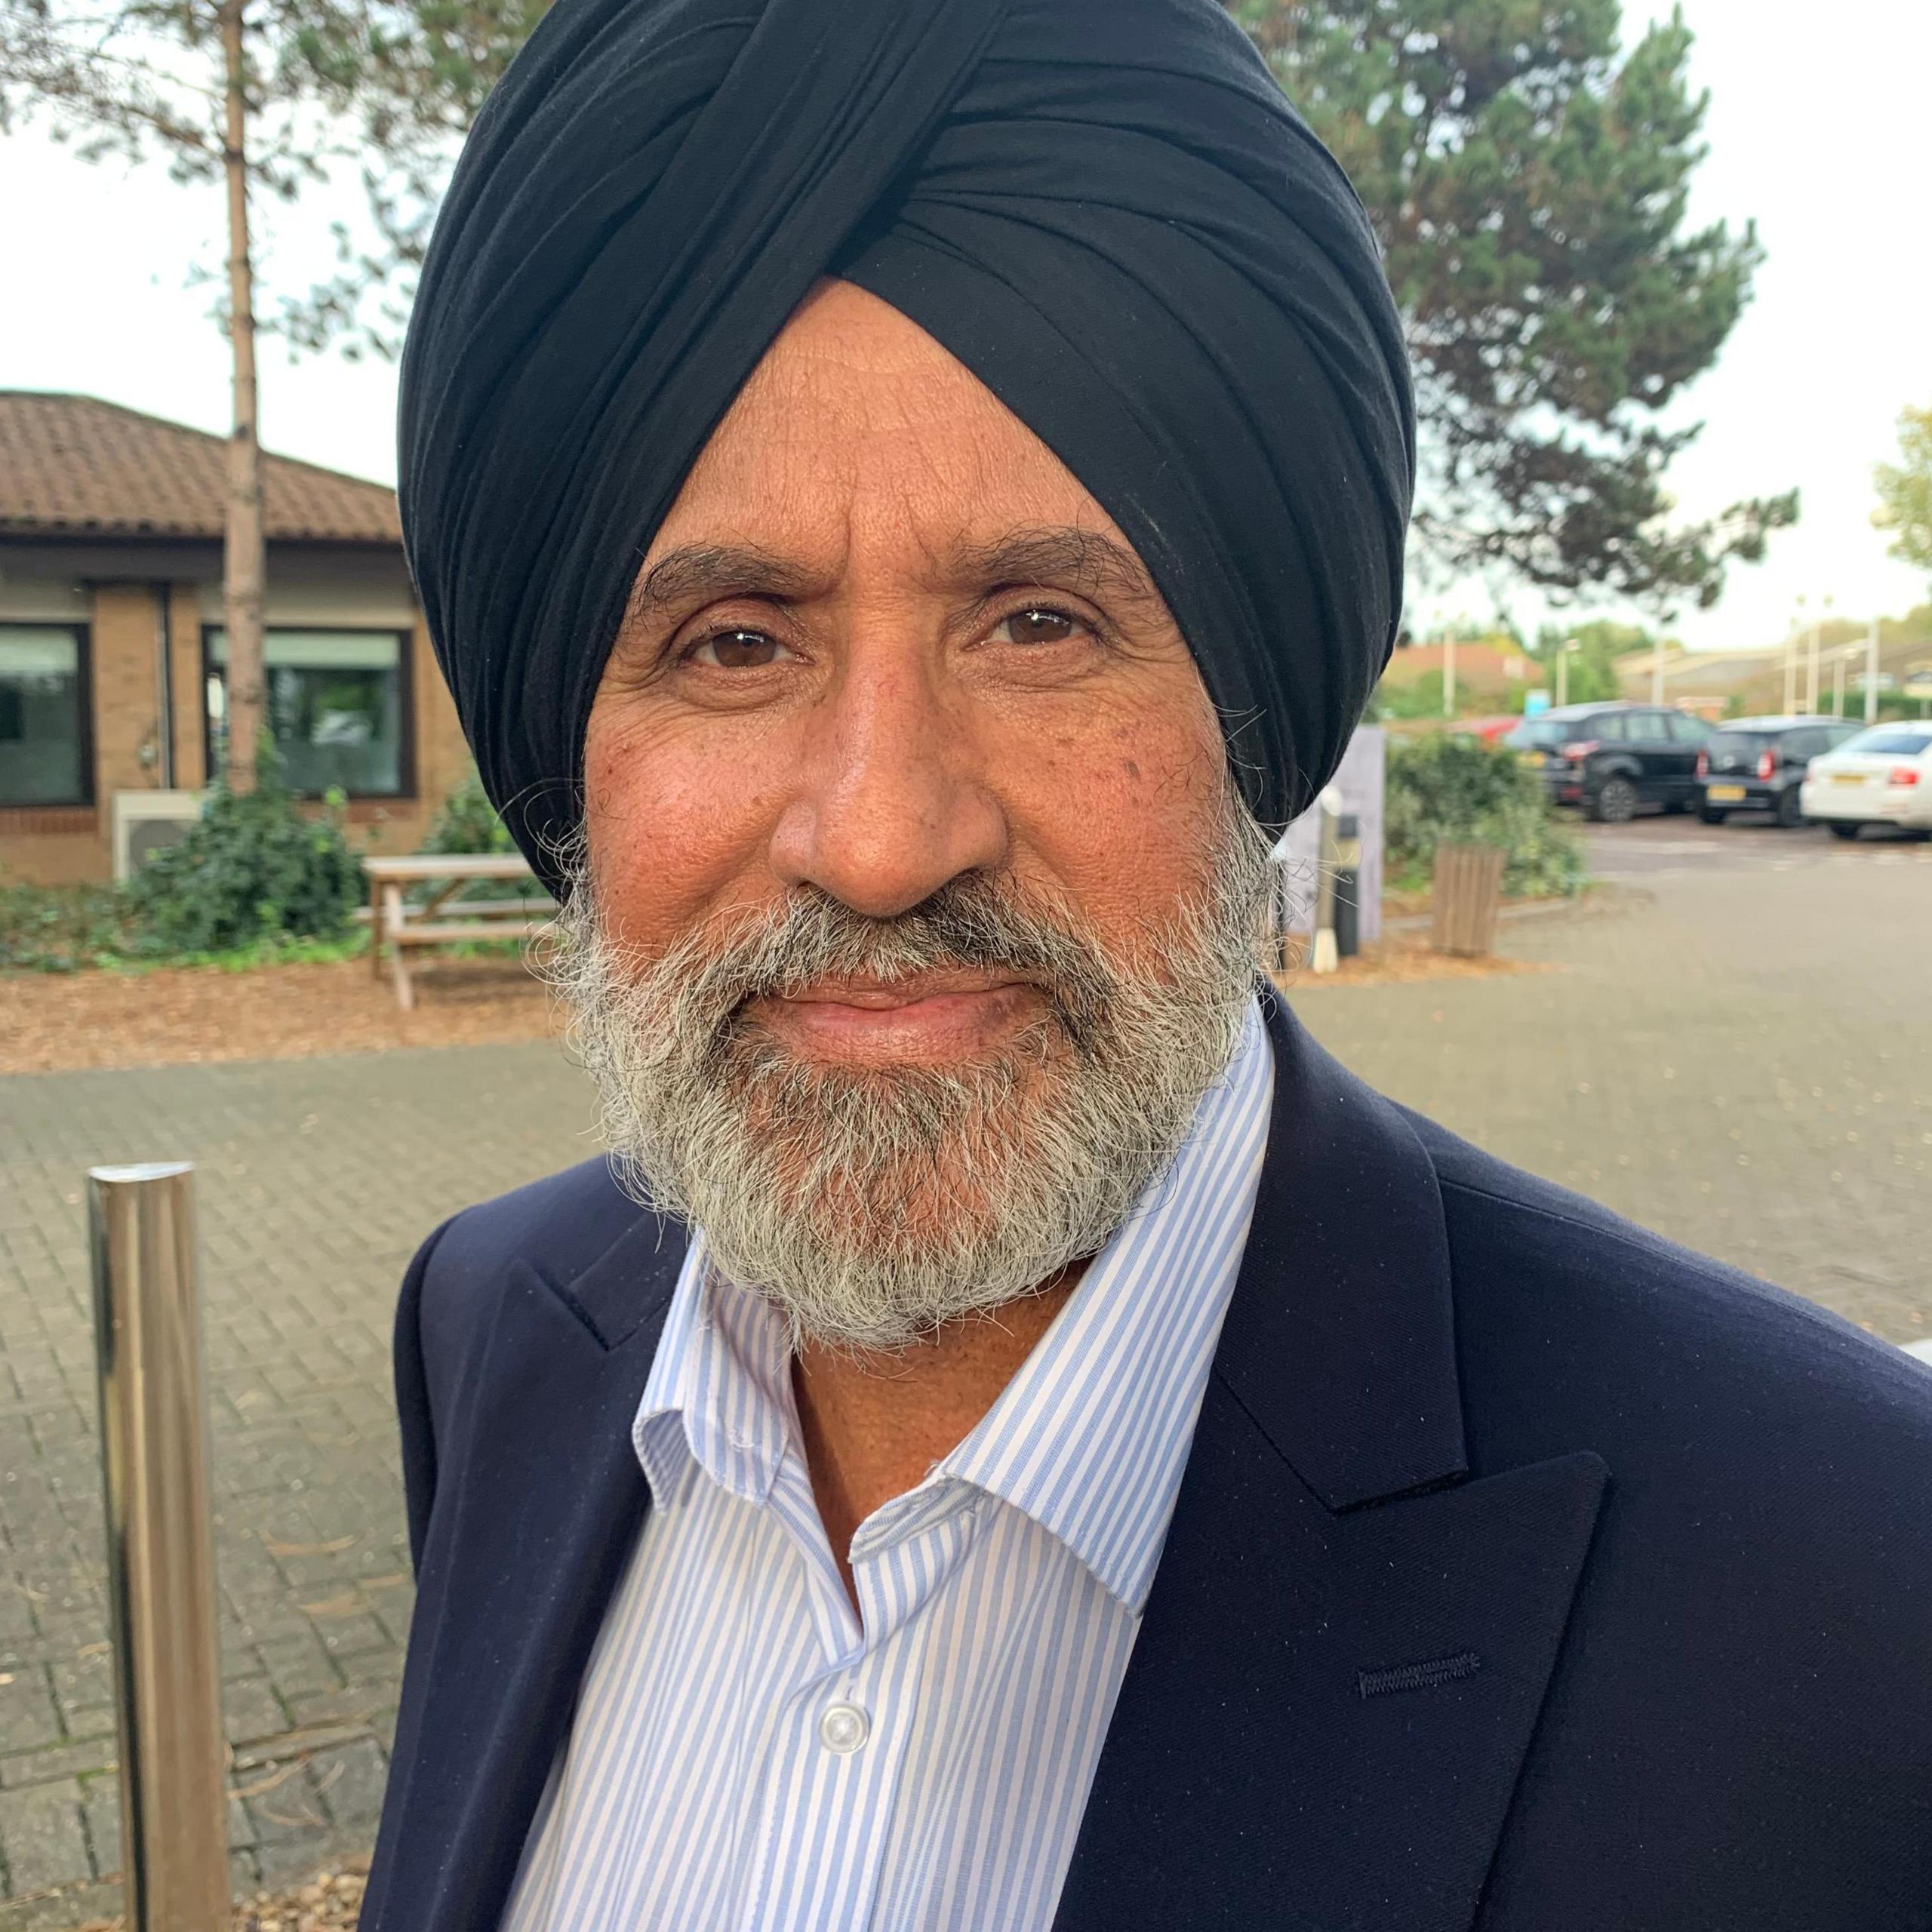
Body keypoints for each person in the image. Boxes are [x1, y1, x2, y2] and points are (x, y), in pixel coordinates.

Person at [364, 1, 1932, 1927]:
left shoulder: (1843, 1567)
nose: (878, 832)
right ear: (570, 743)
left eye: (1035, 621)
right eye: (730, 643)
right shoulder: (494, 1326)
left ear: (1248, 704)